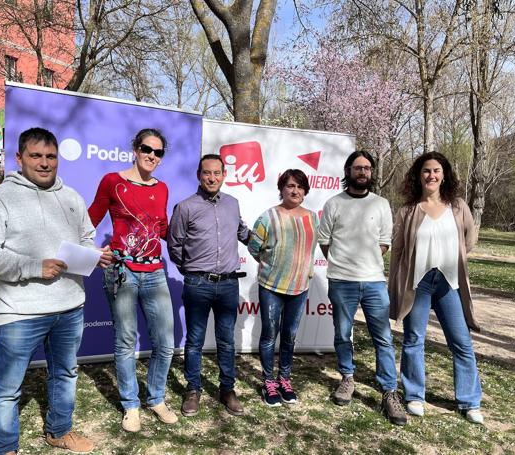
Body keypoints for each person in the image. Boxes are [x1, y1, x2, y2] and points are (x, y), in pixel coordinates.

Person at [0, 127, 111, 455]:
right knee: (7, 388)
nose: (45, 163)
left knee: (65, 373)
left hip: (69, 306)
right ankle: (5, 447)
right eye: (36, 156)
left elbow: (87, 236)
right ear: (19, 158)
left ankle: (59, 431)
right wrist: (34, 266)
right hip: (19, 312)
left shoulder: (71, 197)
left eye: (50, 156)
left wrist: (94, 255)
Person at [88, 128, 177, 433]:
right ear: (135, 149)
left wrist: (191, 234)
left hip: (154, 272)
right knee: (126, 341)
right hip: (121, 272)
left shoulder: (162, 188)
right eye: (146, 149)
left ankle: (156, 398)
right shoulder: (113, 181)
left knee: (165, 342)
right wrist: (91, 252)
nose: (152, 156)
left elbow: (162, 228)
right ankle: (131, 405)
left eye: (158, 152)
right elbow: (90, 219)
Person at [389, 151, 484, 424]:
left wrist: (453, 259)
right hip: (417, 284)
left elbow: (469, 241)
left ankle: (469, 401)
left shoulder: (458, 206)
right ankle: (414, 395)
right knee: (413, 340)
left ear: (444, 176)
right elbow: (398, 251)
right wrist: (394, 284)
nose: (431, 175)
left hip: (448, 283)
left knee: (462, 342)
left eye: (436, 171)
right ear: (418, 176)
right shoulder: (407, 211)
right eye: (426, 171)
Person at [318, 150, 407, 425]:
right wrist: (343, 263)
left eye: (367, 168)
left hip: (373, 282)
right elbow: (324, 241)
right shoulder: (334, 203)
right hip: (341, 281)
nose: (362, 172)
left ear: (372, 173)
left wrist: (365, 262)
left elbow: (384, 242)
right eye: (357, 167)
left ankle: (389, 393)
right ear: (348, 171)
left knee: (383, 337)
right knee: (343, 334)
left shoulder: (381, 204)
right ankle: (347, 378)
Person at [167, 154, 250, 417]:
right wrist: (190, 270)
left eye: (217, 173)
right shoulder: (185, 207)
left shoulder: (233, 204)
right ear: (199, 175)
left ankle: (227, 390)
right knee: (194, 341)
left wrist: (265, 241)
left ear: (224, 174)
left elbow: (243, 232)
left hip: (228, 285)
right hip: (197, 283)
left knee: (226, 341)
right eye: (206, 173)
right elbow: (174, 245)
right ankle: (193, 390)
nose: (212, 178)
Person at [248, 169, 319, 406]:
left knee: (289, 336)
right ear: (281, 189)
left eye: (300, 186)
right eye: (290, 186)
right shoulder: (268, 217)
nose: (295, 190)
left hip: (300, 287)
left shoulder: (313, 218)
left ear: (305, 191)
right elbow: (253, 247)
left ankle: (284, 379)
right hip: (271, 286)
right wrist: (272, 266)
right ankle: (268, 382)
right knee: (270, 334)